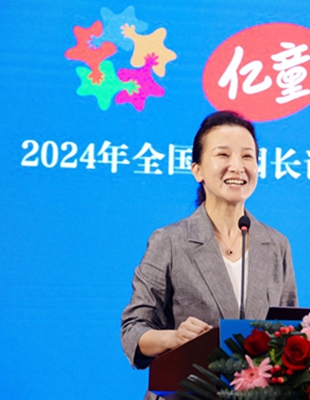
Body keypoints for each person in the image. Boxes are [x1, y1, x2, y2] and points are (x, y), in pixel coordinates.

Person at [121, 111, 298, 399]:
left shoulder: (276, 244)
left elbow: (289, 334)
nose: (237, 166)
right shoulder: (170, 241)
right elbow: (133, 331)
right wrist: (174, 337)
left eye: (247, 156)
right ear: (198, 170)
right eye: (223, 155)